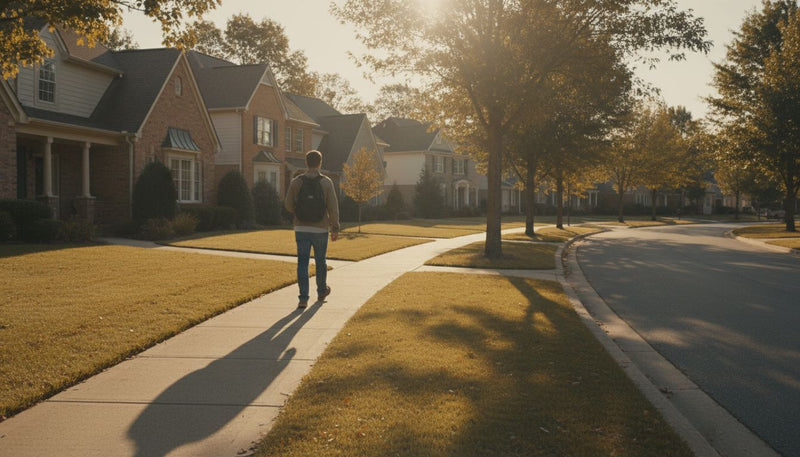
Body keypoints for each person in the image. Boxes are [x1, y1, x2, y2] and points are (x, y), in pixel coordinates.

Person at [284, 150, 340, 309]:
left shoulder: (296, 181)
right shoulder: (326, 182)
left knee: (302, 262)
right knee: (320, 261)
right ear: (320, 163)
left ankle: (303, 298)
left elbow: (287, 205)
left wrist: (298, 212)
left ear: (306, 162)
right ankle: (322, 291)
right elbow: (333, 207)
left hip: (301, 228)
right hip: (320, 229)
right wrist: (335, 227)